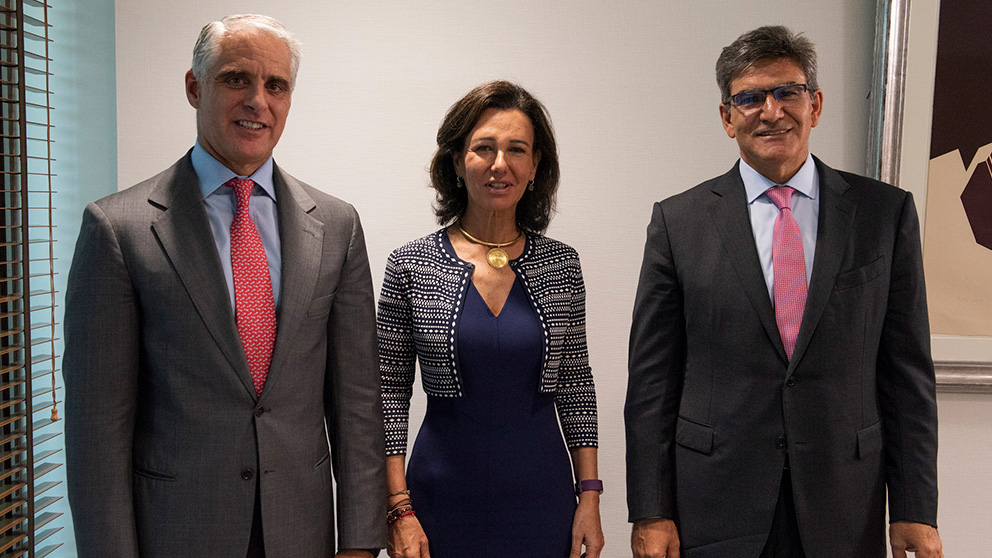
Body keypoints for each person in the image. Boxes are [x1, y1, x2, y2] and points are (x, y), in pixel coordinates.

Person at [63, 14, 385, 558]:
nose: (258, 100)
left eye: (276, 85)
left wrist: (360, 541)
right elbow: (97, 430)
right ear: (194, 86)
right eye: (237, 78)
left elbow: (356, 402)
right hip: (177, 533)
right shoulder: (118, 230)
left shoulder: (337, 225)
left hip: (302, 534)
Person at [625, 26, 942, 558]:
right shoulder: (678, 223)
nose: (771, 111)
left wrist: (915, 508)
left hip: (844, 501)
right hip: (716, 503)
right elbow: (652, 382)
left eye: (787, 92)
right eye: (749, 98)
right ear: (727, 118)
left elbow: (906, 373)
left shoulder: (884, 215)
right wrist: (651, 512)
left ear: (814, 105)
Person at [377, 80, 604, 558]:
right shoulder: (409, 264)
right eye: (484, 148)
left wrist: (590, 498)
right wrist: (399, 509)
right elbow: (388, 394)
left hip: (542, 504)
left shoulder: (562, 265)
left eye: (517, 149)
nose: (500, 164)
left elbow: (577, 385)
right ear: (458, 161)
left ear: (536, 165)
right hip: (437, 504)